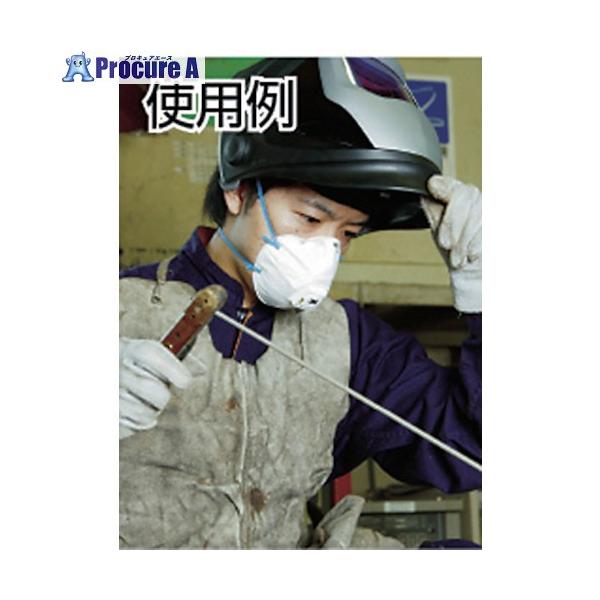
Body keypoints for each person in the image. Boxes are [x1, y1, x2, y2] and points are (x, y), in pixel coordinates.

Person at [119, 58, 482, 549]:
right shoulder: (120, 307)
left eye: (347, 233)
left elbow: (468, 448)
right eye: (310, 219)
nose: (326, 249)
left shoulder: (350, 344)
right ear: (238, 190)